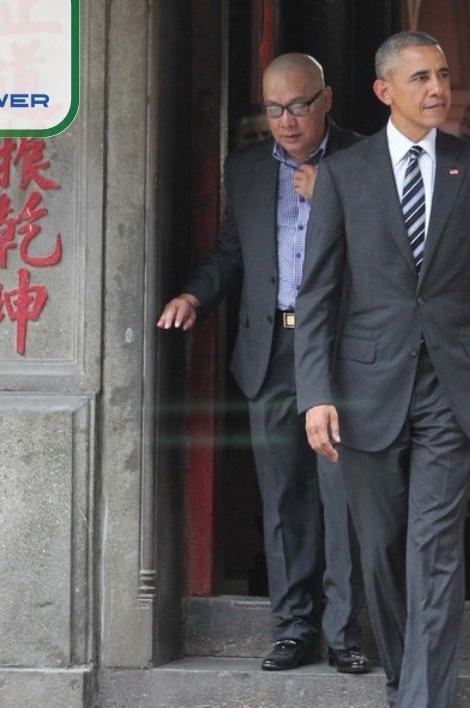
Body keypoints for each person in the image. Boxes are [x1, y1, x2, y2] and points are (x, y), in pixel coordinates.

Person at [295, 31, 470, 708]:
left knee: (433, 551)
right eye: (422, 77)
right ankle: (404, 687)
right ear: (384, 89)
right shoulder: (345, 174)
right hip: (364, 389)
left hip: (450, 389)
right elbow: (319, 295)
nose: (439, 89)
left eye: (444, 75)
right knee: (379, 552)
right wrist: (315, 394)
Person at [156, 53, 369, 676]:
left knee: (342, 495)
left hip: (339, 354)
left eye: (298, 106)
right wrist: (195, 294)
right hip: (270, 348)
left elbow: (390, 250)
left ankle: (345, 632)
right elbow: (232, 252)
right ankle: (293, 627)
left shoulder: (363, 159)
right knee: (283, 498)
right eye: (274, 109)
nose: (286, 121)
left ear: (325, 99)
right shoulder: (246, 169)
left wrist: (331, 194)